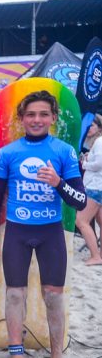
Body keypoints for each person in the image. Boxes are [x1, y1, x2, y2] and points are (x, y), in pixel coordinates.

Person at [0, 91, 86, 358]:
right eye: (31, 114)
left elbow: (78, 201)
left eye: (43, 114)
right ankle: (16, 357)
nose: (37, 119)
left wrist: (58, 182)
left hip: (50, 232)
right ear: (22, 118)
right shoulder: (9, 153)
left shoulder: (63, 151)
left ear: (53, 118)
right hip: (17, 231)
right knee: (15, 295)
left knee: (53, 297)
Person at [75, 114, 102, 266]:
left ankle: (95, 256)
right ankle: (100, 255)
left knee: (81, 220)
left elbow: (99, 164)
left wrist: (85, 163)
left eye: (92, 125)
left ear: (99, 127)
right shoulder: (97, 142)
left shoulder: (99, 141)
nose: (88, 128)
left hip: (94, 186)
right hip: (99, 185)